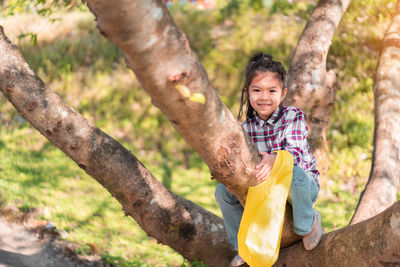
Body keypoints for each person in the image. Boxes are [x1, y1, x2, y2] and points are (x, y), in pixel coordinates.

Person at [214, 52, 323, 266]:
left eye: (271, 91)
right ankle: (243, 247)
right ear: (247, 92)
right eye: (257, 90)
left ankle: (308, 223)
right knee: (221, 191)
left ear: (282, 94)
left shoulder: (293, 116)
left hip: (300, 187)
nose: (264, 97)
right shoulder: (245, 129)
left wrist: (276, 159)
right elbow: (243, 163)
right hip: (267, 190)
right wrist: (234, 179)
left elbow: (297, 153)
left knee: (294, 172)